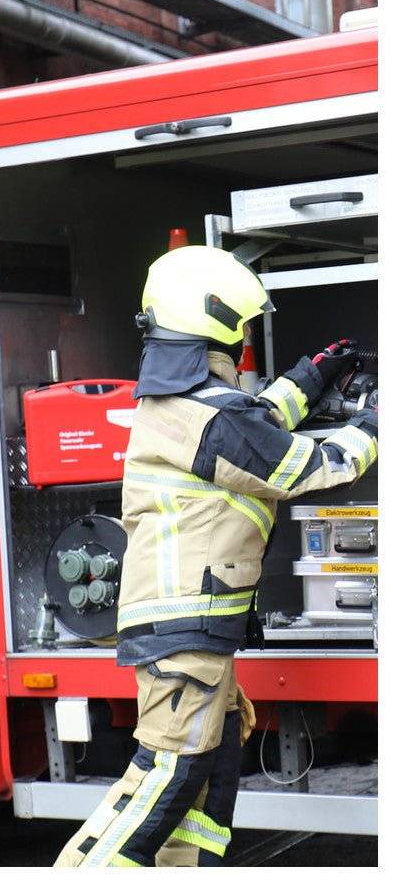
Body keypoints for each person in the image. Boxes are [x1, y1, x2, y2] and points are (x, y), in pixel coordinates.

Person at [56, 245, 378, 868]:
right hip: (183, 629)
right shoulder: (207, 418)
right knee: (166, 779)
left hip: (192, 629)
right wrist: (370, 428)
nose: (247, 338)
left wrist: (312, 375)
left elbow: (254, 422)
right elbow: (299, 465)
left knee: (207, 783)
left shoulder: (193, 408)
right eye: (244, 328)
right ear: (220, 324)